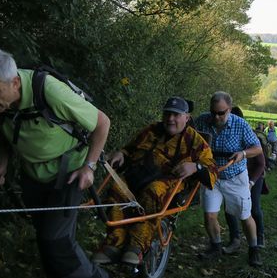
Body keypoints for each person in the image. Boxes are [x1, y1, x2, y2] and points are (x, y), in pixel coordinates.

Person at [0, 47, 111, 278]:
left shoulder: (49, 92)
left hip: (70, 172)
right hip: (33, 174)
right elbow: (3, 133)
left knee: (55, 239)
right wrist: (2, 164)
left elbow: (102, 123)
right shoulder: (0, 102)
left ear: (15, 83)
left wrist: (90, 167)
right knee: (46, 243)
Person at [91, 96, 217, 265]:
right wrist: (121, 154)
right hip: (139, 174)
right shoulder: (151, 130)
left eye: (176, 115)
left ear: (186, 118)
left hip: (168, 182)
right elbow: (130, 149)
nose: (170, 119)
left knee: (153, 191)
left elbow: (213, 170)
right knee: (116, 188)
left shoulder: (195, 141)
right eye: (167, 114)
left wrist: (196, 167)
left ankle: (136, 246)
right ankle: (115, 242)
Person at [194, 92, 263, 267]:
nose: (216, 117)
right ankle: (215, 246)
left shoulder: (241, 125)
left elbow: (258, 148)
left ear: (229, 109)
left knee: (245, 215)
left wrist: (243, 153)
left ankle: (254, 249)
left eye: (221, 113)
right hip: (211, 177)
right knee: (209, 214)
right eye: (213, 113)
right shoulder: (202, 121)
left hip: (235, 177)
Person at [223, 107, 267, 250]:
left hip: (255, 177)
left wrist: (251, 183)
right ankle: (235, 239)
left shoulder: (250, 137)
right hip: (234, 178)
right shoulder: (224, 135)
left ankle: (259, 238)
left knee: (254, 208)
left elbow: (261, 164)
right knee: (230, 209)